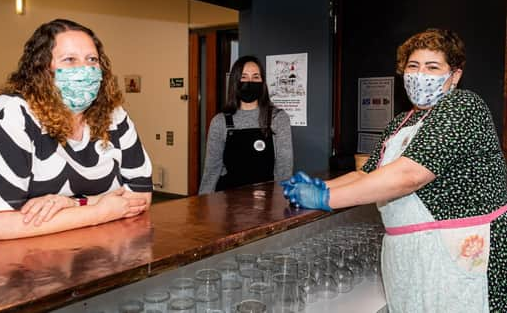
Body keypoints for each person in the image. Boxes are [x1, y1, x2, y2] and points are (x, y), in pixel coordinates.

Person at [282, 28, 507, 312]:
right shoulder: (401, 122)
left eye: (433, 67)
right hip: (410, 255)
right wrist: (320, 187)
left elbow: (409, 175)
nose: (420, 74)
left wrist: (326, 199)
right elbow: (366, 174)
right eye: (413, 66)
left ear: (455, 75)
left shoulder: (463, 106)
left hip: (457, 251)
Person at [0, 19, 153, 241]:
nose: (84, 69)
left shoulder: (114, 116)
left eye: (92, 59)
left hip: (92, 254)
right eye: (69, 60)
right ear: (42, 69)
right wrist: (100, 211)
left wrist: (72, 203)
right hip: (12, 263)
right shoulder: (9, 114)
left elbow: (141, 197)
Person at [199, 55, 293, 194]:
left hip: (265, 203)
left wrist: (281, 203)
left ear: (263, 82)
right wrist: (203, 205)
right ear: (235, 82)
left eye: (256, 77)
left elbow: (284, 169)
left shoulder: (278, 118)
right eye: (244, 77)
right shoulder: (220, 122)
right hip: (227, 203)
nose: (250, 81)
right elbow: (212, 170)